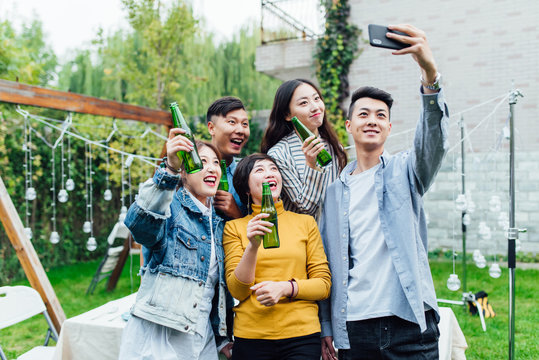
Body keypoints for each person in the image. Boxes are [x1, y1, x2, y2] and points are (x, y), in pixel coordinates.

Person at [318, 24, 449, 359]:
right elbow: (328, 263)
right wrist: (328, 328)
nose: (372, 120)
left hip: (408, 325)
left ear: (390, 127)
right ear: (349, 125)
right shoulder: (334, 193)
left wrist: (429, 76)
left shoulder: (407, 171)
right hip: (354, 326)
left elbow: (432, 142)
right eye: (363, 114)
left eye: (381, 115)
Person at [119, 132, 233, 360]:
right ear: (184, 172)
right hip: (160, 333)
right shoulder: (170, 208)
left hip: (201, 336)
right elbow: (139, 225)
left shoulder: (219, 221)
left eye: (216, 163)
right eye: (201, 162)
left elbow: (213, 289)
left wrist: (223, 337)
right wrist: (169, 169)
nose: (212, 168)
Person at [223, 153, 331, 360]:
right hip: (251, 337)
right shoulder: (234, 228)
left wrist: (285, 288)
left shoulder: (305, 223)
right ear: (246, 187)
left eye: (273, 169)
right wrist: (253, 245)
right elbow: (238, 290)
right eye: (260, 170)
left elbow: (323, 285)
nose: (270, 174)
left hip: (302, 335)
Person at [260, 79, 348, 221]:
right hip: (302, 239)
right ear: (288, 115)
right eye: (303, 103)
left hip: (334, 234)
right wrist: (311, 165)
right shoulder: (279, 153)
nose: (315, 107)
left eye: (317, 98)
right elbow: (306, 208)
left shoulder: (334, 146)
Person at [206, 96, 250, 219]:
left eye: (245, 124)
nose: (241, 130)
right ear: (211, 128)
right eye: (232, 122)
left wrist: (236, 214)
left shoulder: (247, 177)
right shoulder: (189, 172)